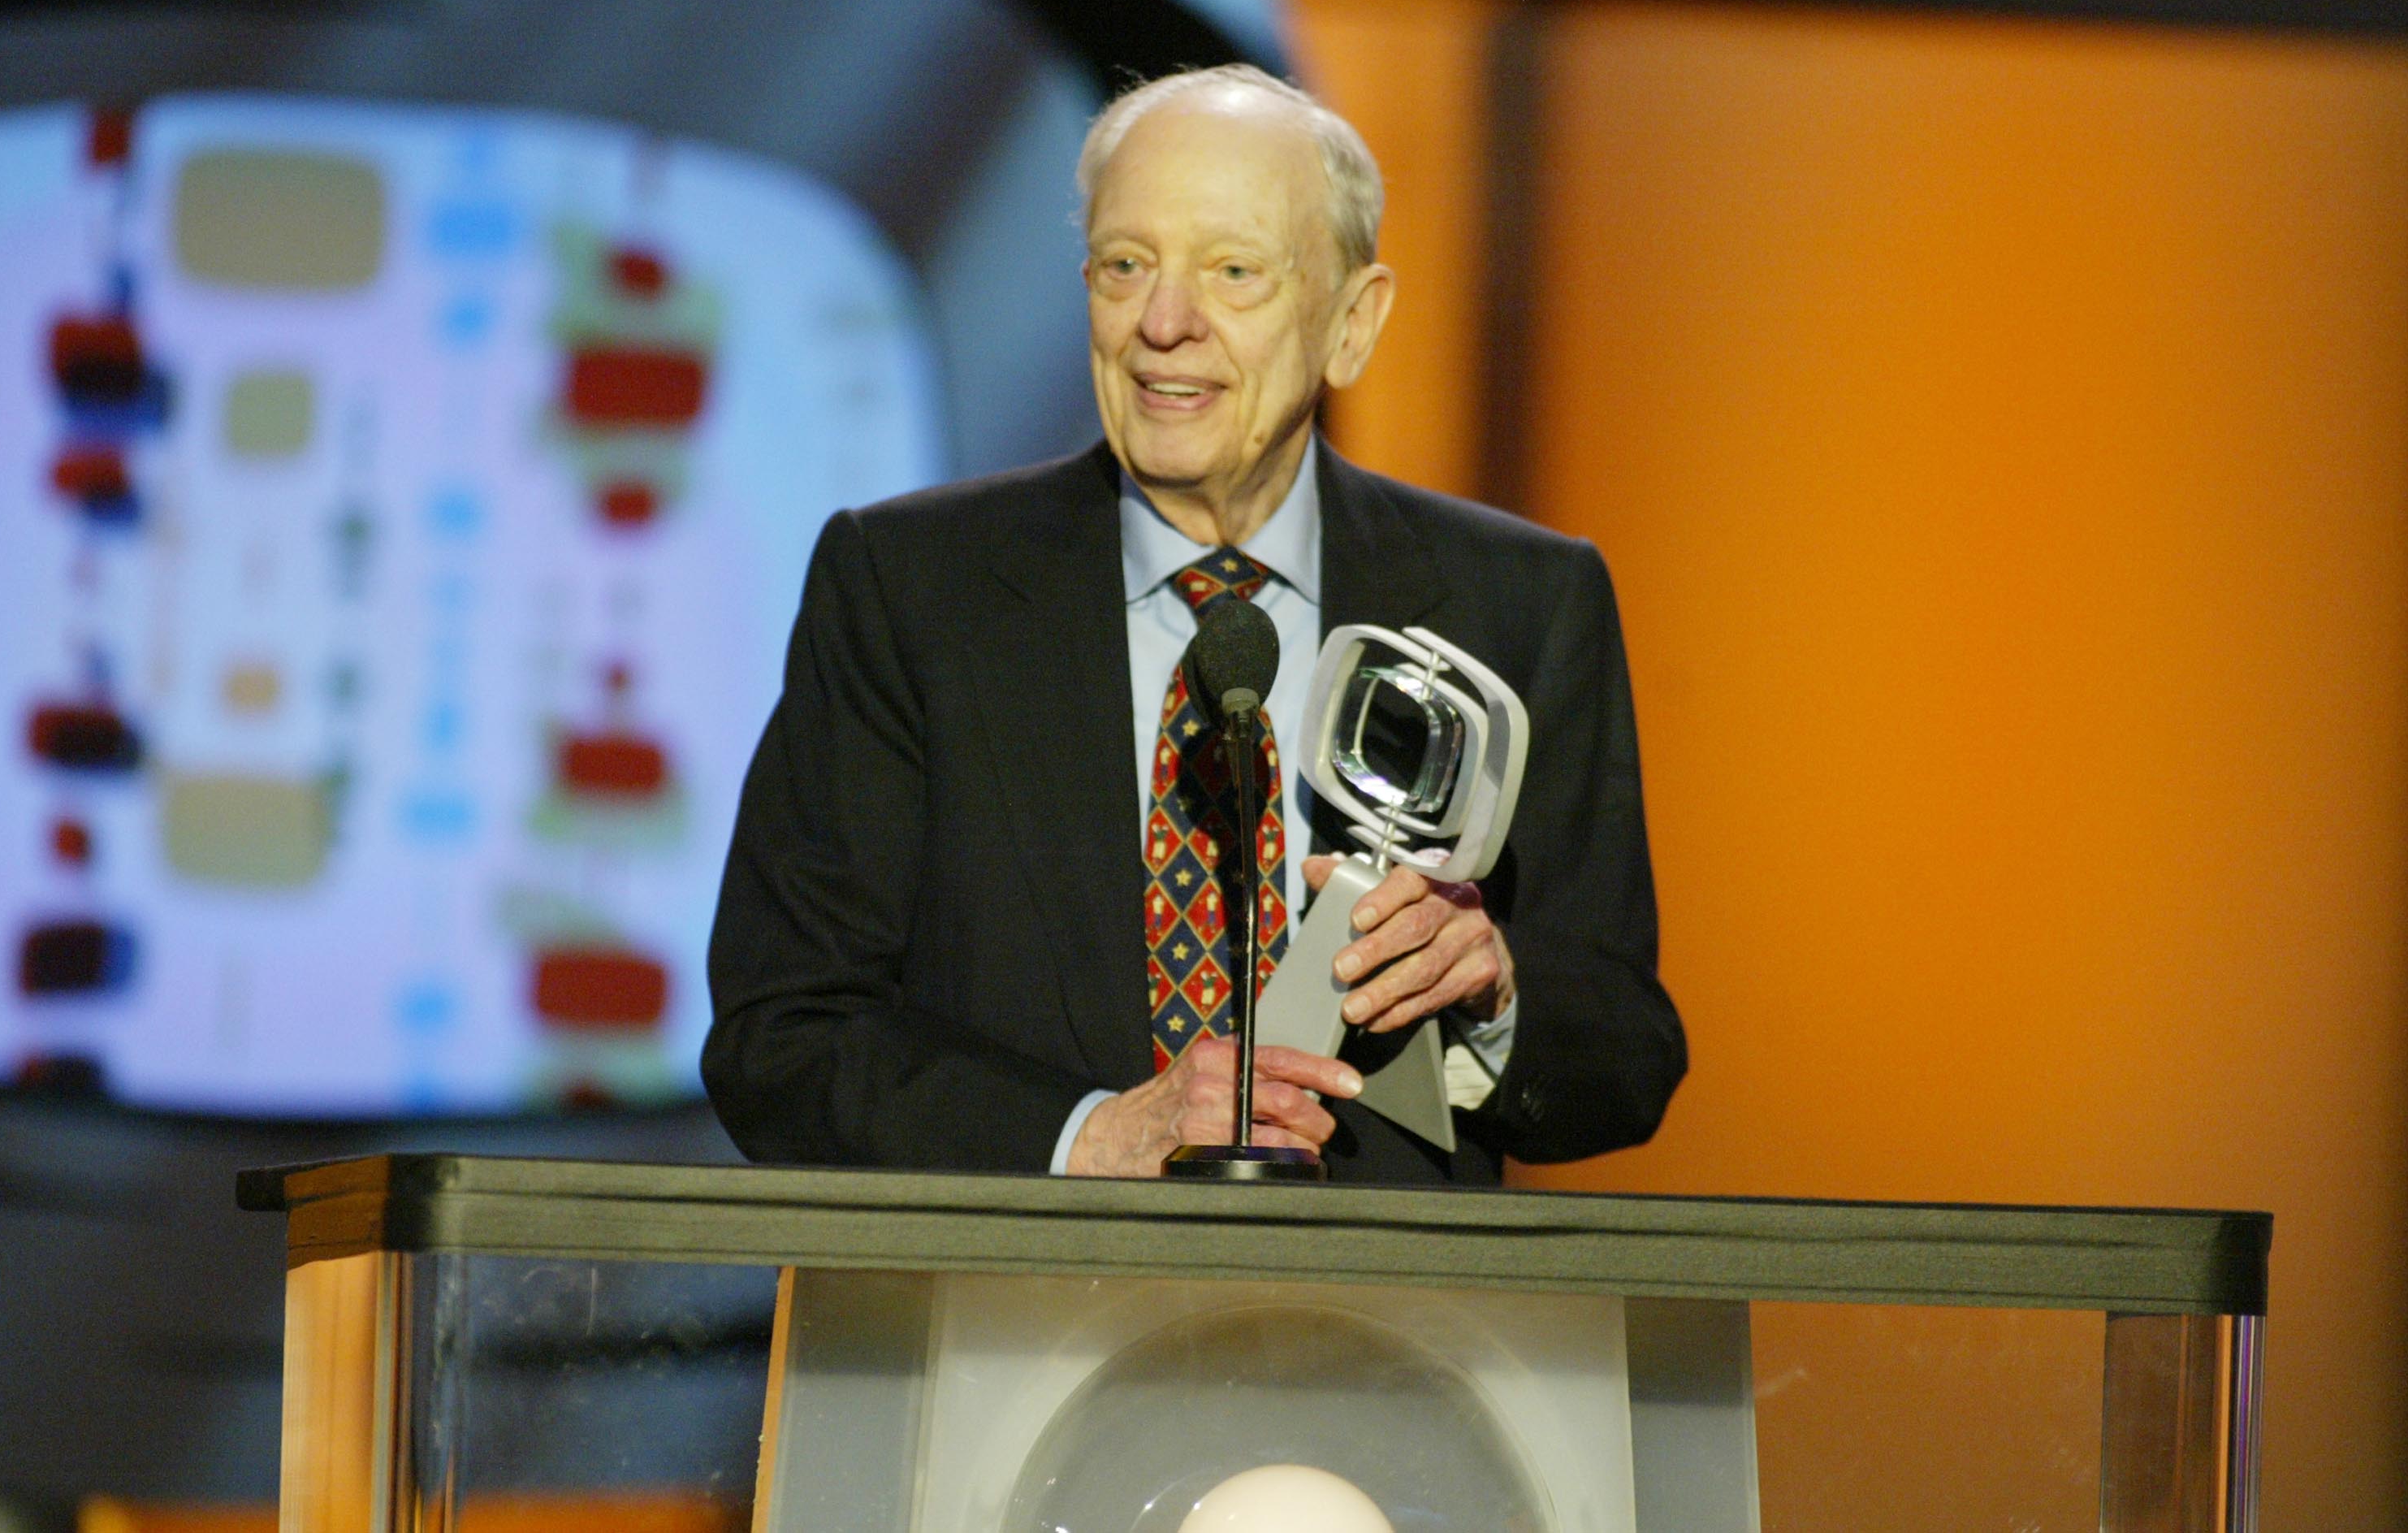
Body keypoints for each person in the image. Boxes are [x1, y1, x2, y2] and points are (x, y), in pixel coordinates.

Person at [704, 64, 1682, 1183]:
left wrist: (1497, 992)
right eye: (1127, 266)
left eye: (1233, 271)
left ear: (1352, 325)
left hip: (1379, 1338)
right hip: (1016, 1328)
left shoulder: (1521, 601)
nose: (1164, 323)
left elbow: (1626, 1053)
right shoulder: (905, 590)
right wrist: (1094, 1135)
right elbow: (781, 1042)